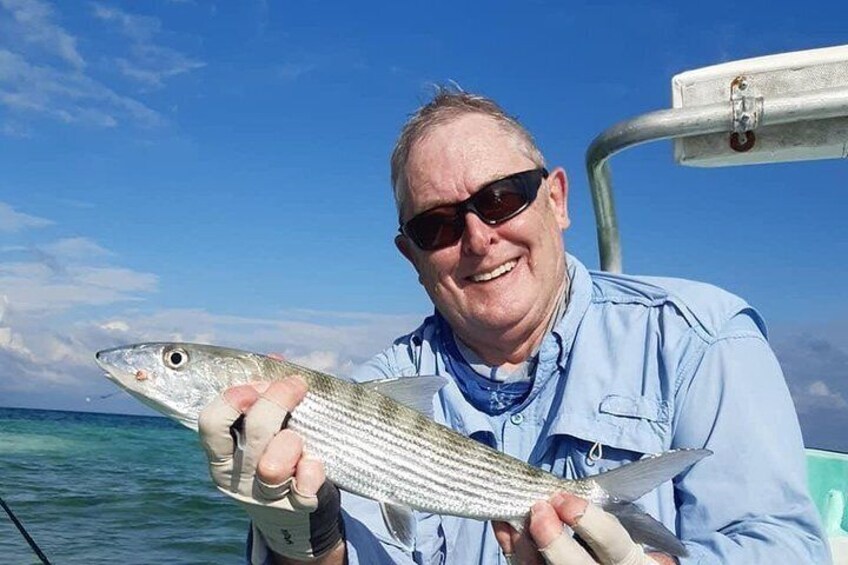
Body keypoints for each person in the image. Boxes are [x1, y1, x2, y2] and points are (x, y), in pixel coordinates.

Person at [198, 90, 831, 564]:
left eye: (501, 197)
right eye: (437, 227)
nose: (478, 238)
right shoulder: (371, 392)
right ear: (411, 256)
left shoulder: (700, 340)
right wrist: (299, 540)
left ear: (557, 200)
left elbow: (781, 544)